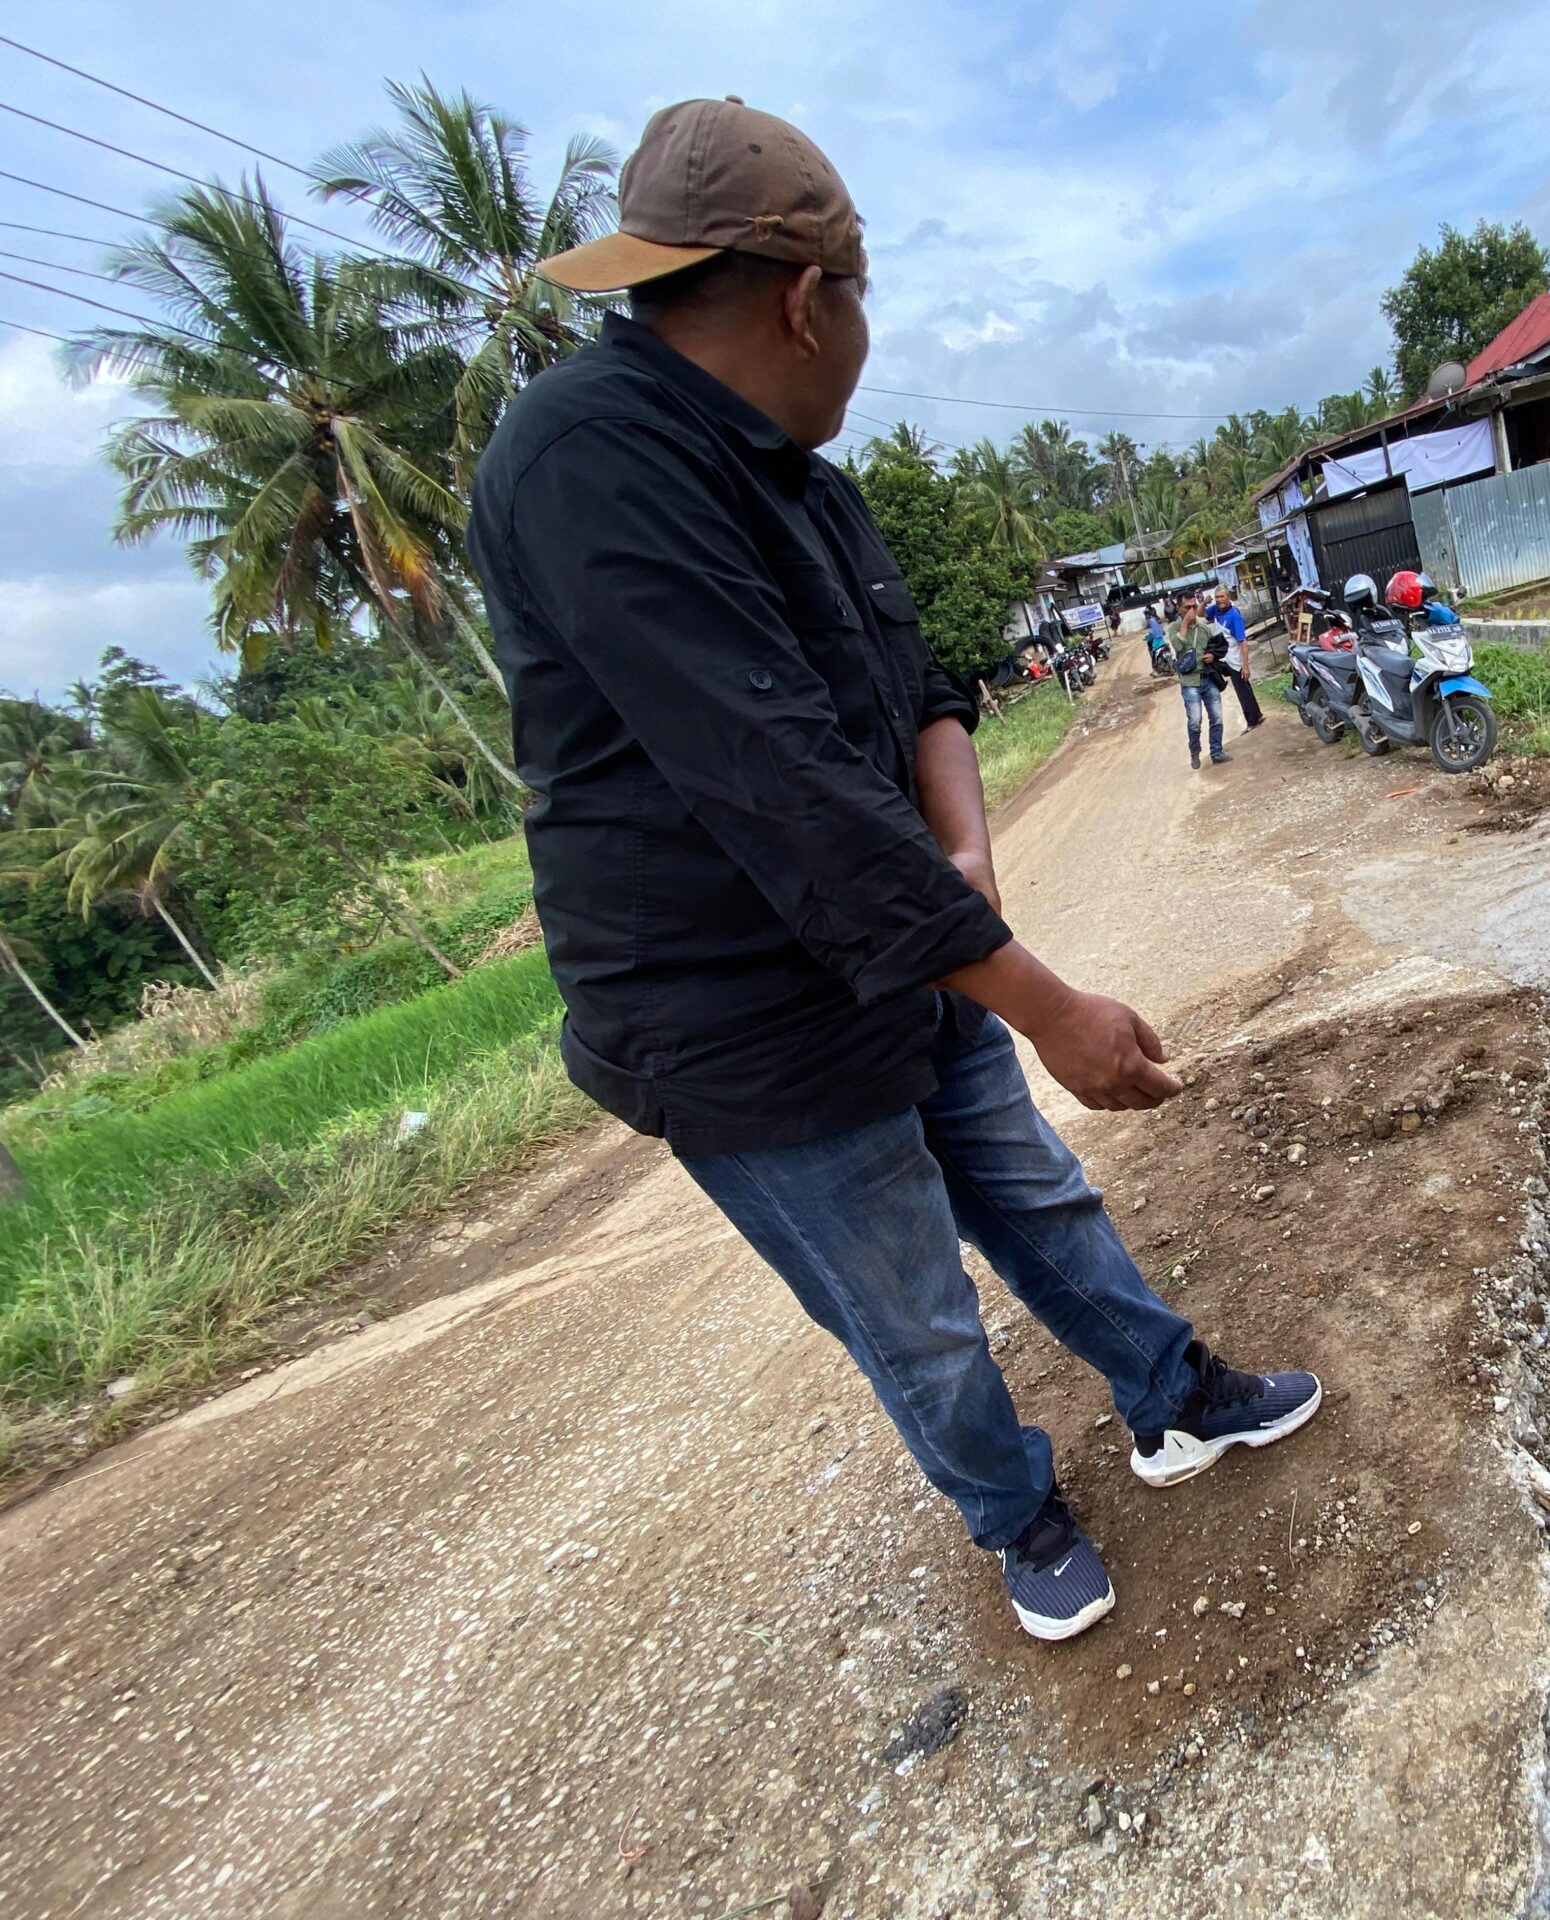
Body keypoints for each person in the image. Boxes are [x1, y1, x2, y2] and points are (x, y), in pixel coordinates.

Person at [465, 98, 1319, 1645]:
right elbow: (780, 784)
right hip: (743, 1021)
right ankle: (1019, 1515)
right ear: (812, 298)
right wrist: (1046, 1004)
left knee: (1040, 1199)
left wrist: (969, 859)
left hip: (909, 951)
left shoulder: (806, 475)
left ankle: (1171, 1396)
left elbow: (924, 687)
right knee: (915, 1313)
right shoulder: (590, 459)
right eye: (864, 302)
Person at [1170, 595, 1228, 767]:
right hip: (1189, 682)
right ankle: (1195, 752)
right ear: (1179, 608)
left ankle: (1216, 752)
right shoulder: (1174, 628)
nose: (1192, 610)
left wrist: (1212, 656)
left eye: (1194, 606)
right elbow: (1177, 646)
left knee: (1216, 717)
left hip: (1207, 678)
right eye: (1187, 607)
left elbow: (1214, 648)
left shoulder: (1203, 629)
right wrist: (1185, 624)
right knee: (1195, 720)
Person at [1209, 584, 1264, 729]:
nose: (1219, 600)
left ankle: (1252, 721)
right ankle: (1256, 715)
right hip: (1225, 658)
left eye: (1222, 596)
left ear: (1228, 597)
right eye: (1217, 597)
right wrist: (1204, 603)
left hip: (1235, 660)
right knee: (1244, 688)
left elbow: (1243, 642)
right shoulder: (1216, 610)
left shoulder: (1234, 616)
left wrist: (1245, 666)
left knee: (1242, 691)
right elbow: (1202, 613)